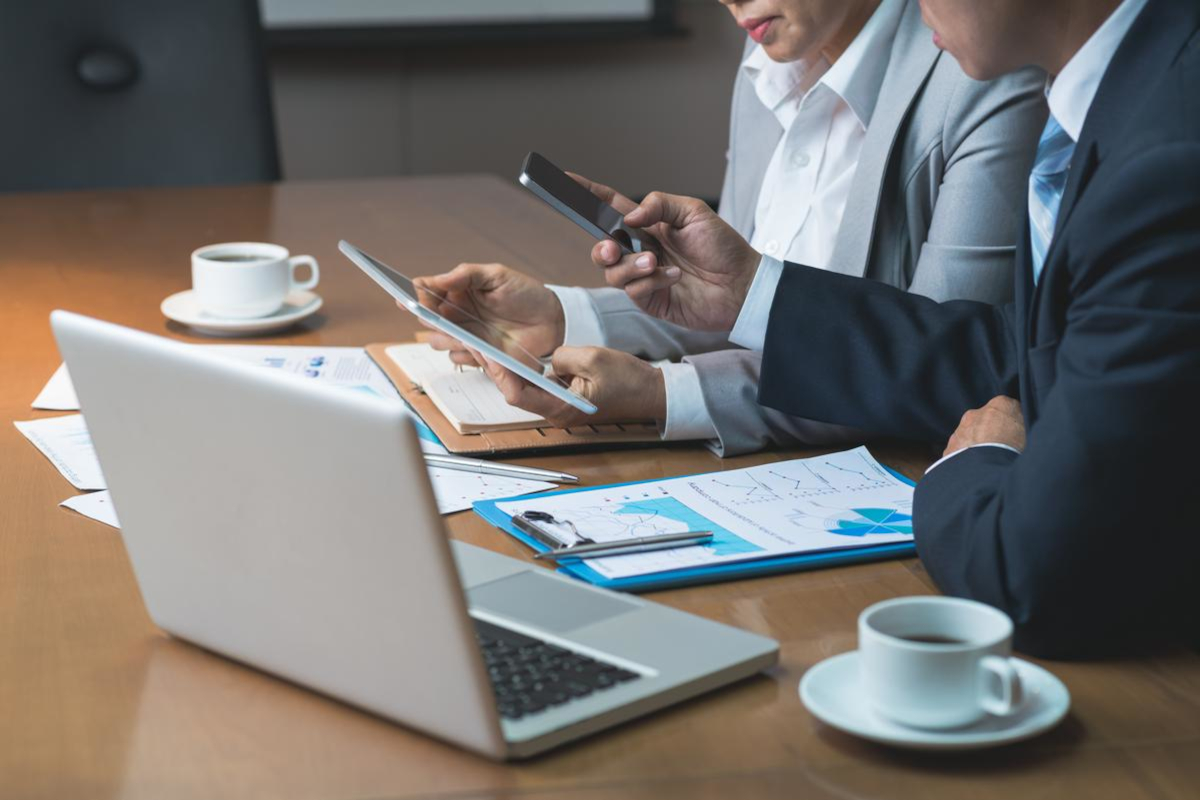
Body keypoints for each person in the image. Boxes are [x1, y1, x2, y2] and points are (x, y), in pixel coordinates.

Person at [559, 0, 1200, 657]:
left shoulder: (1170, 150)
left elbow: (1030, 578)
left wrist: (976, 460)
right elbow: (1019, 343)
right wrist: (749, 293)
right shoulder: (1119, 88)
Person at [415, 0, 1046, 456]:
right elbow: (741, 307)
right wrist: (564, 317)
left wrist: (661, 394)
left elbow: (930, 369)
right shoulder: (769, 52)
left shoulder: (983, 67)